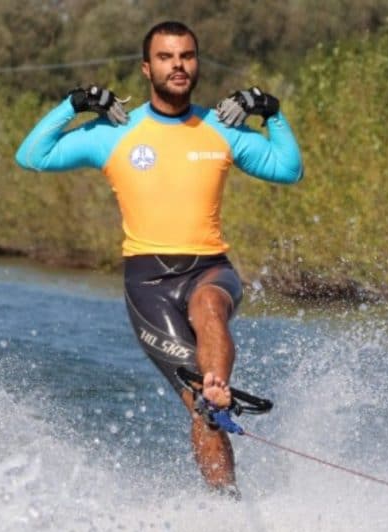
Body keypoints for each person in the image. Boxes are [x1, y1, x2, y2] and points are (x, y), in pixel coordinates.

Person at [15, 20, 302, 497]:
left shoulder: (221, 129)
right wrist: (75, 103)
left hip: (210, 267)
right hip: (149, 286)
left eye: (187, 56)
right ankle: (224, 508)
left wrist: (268, 111)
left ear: (197, 64)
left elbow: (288, 168)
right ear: (147, 68)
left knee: (210, 311)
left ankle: (216, 389)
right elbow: (32, 155)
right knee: (200, 412)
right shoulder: (114, 133)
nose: (179, 66)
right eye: (167, 58)